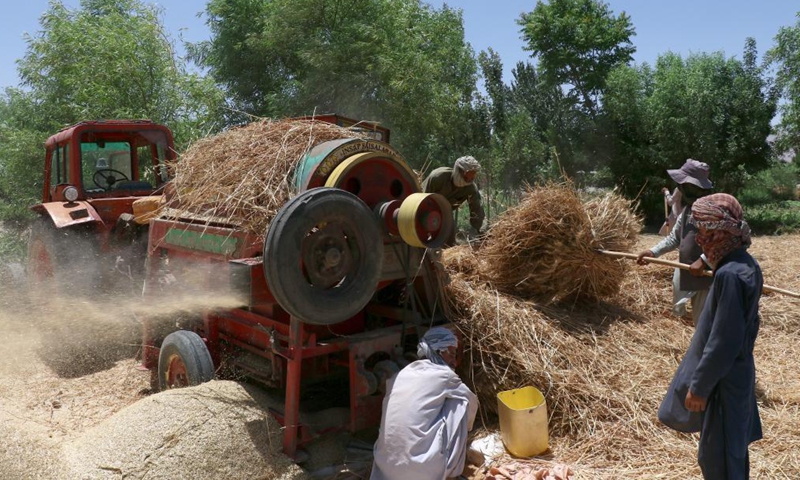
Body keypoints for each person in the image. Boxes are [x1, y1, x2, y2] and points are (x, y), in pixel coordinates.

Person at [658, 193, 762, 479]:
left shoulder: (729, 275)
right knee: (732, 451)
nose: (700, 239)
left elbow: (723, 341)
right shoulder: (747, 265)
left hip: (723, 381)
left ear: (722, 232)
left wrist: (700, 387)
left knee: (718, 457)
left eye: (705, 231)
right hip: (737, 374)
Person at [371, 327, 479, 480]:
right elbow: (473, 403)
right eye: (452, 354)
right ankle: (451, 472)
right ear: (439, 352)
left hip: (385, 470)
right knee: (460, 401)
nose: (455, 361)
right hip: (422, 472)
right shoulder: (444, 375)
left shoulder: (400, 374)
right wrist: (468, 428)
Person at [637, 159, 714, 325]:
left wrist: (703, 260)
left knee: (705, 325)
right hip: (689, 274)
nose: (679, 188)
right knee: (699, 322)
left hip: (708, 279)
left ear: (694, 187)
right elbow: (674, 238)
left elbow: (727, 242)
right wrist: (653, 252)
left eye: (683, 185)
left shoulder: (714, 210)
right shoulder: (687, 210)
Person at [422, 156, 485, 246]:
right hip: (423, 209)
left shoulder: (470, 188)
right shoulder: (437, 177)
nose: (471, 178)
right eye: (469, 173)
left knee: (449, 244)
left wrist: (479, 232)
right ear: (459, 171)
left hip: (445, 213)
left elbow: (477, 210)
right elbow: (422, 199)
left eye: (474, 173)